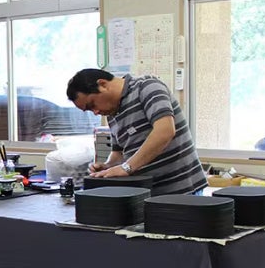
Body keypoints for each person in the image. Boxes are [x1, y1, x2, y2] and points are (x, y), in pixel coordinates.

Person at [67, 69, 207, 196]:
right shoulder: (112, 113)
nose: (96, 112)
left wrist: (126, 168)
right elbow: (119, 153)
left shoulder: (147, 87)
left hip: (182, 191)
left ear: (103, 84)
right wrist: (108, 166)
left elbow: (165, 131)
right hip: (149, 193)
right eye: (89, 110)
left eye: (92, 104)